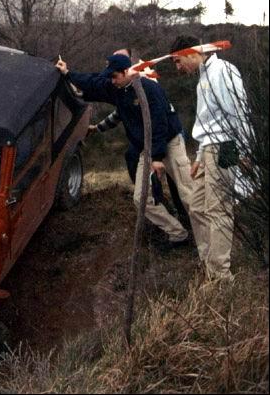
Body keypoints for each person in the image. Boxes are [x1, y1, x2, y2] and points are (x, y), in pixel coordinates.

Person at [56, 54, 194, 251]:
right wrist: (68, 73)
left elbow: (160, 123)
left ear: (125, 73)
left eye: (114, 77)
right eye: (110, 78)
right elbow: (94, 83)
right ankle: (179, 235)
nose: (112, 81)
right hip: (146, 148)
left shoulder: (148, 88)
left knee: (187, 193)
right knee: (141, 199)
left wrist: (156, 157)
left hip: (169, 142)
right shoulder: (117, 89)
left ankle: (206, 239)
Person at [170, 35, 251, 280]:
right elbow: (208, 122)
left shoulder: (223, 71)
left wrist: (244, 150)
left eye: (177, 60)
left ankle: (220, 275)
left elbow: (239, 112)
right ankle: (208, 261)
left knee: (219, 210)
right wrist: (199, 156)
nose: (178, 67)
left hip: (225, 146)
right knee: (196, 206)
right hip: (208, 149)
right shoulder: (204, 76)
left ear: (191, 53)